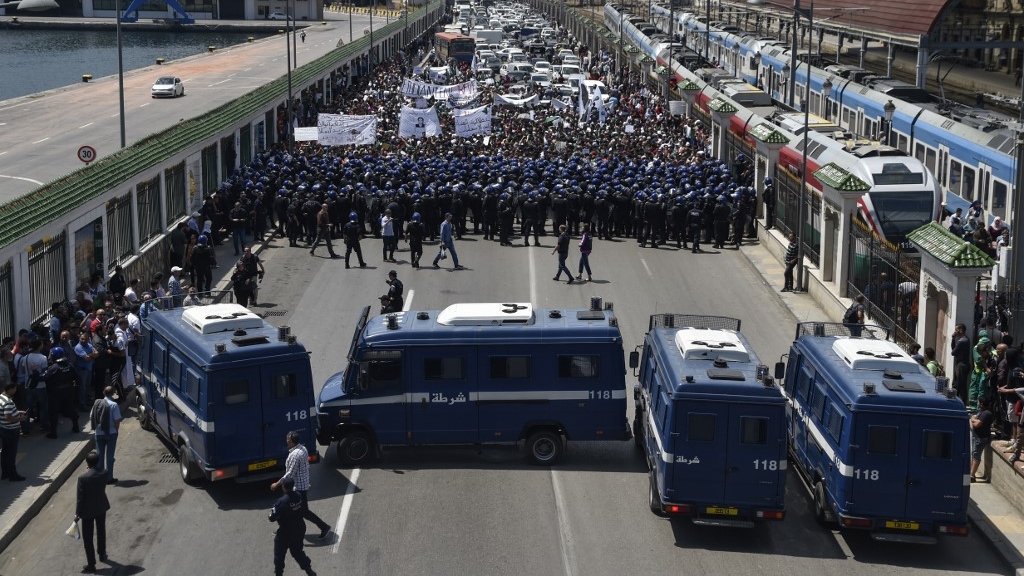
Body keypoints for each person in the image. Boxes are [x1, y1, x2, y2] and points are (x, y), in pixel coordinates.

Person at [271, 431, 331, 541]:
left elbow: (290, 474)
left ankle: (324, 527)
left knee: (303, 511)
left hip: (298, 487)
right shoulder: (302, 449)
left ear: (293, 442)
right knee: (290, 509)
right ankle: (284, 529)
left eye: (288, 441)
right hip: (301, 484)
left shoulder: (295, 455)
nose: (286, 442)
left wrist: (277, 484)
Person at [268, 477, 317, 576]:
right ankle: (309, 570)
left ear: (284, 487)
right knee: (297, 551)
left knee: (279, 555)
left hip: (285, 532)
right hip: (299, 528)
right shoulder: (299, 496)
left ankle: (279, 574)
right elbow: (303, 510)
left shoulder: (281, 502)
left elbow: (271, 518)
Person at [76, 450, 110, 574]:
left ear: (87, 463)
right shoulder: (104, 473)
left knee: (88, 538)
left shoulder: (83, 478)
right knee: (101, 531)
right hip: (101, 507)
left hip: (88, 511)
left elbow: (80, 498)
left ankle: (91, 564)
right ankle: (102, 553)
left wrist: (77, 514)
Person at [38, 346, 81, 438]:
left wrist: (34, 372)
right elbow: (78, 379)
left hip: (55, 393)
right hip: (68, 391)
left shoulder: (53, 368)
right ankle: (76, 426)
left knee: (53, 412)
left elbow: (43, 377)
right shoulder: (69, 365)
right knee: (69, 409)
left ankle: (53, 433)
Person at [90, 386, 122, 485]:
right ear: (113, 393)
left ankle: (100, 478)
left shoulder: (97, 403)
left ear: (103, 393)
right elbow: (117, 420)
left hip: (99, 433)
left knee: (99, 456)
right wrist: (116, 430)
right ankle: (109, 478)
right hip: (111, 433)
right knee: (110, 456)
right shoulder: (114, 405)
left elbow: (91, 416)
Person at [0, 381, 27, 481]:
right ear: (10, 389)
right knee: (11, 453)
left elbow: (5, 412)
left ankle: (5, 473)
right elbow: (8, 417)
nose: (15, 391)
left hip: (3, 429)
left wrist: (17, 412)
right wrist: (21, 419)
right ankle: (13, 474)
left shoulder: (1, 398)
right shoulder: (9, 402)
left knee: (5, 453)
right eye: (15, 389)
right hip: (11, 431)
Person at [970, 396, 994, 482]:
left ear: (981, 403)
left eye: (978, 402)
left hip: (981, 438)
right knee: (973, 454)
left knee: (976, 456)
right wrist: (974, 419)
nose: (977, 403)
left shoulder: (987, 413)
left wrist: (973, 419)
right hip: (976, 436)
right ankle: (971, 472)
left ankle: (972, 476)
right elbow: (974, 417)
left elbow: (977, 424)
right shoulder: (981, 411)